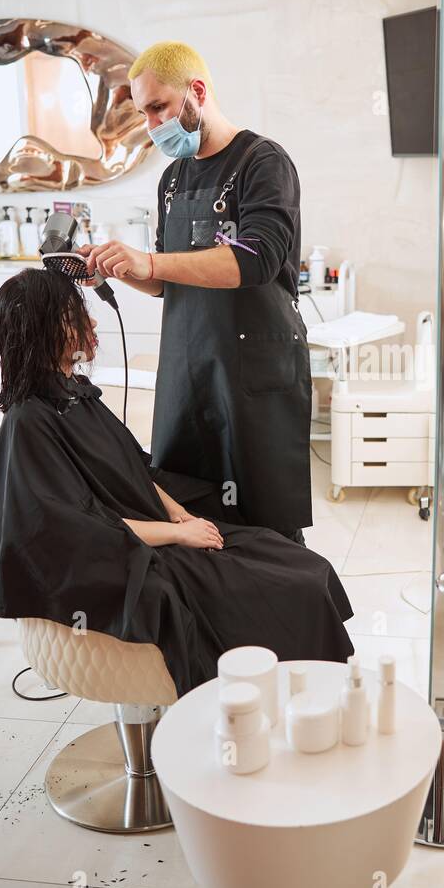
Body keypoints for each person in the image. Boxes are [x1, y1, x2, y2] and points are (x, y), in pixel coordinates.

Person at [0, 268, 354, 699]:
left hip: (154, 530)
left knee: (305, 565)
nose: (92, 323)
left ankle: (309, 697)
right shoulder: (29, 422)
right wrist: (176, 534)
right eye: (75, 314)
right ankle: (282, 703)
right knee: (293, 586)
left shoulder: (75, 392)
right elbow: (76, 528)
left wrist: (176, 510)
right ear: (43, 328)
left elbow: (135, 467)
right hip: (125, 557)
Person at [77, 40, 312, 546]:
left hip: (252, 377)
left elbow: (257, 259)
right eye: (144, 113)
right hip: (188, 373)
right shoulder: (172, 179)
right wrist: (120, 268)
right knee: (190, 515)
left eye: (159, 107)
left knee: (265, 525)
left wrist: (152, 260)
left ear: (196, 92)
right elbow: (166, 281)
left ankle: (284, 619)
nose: (152, 124)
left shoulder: (262, 162)